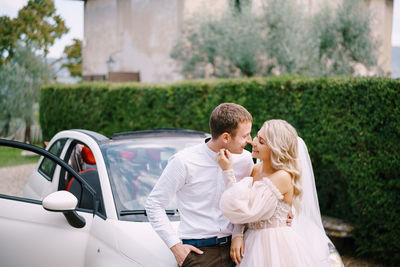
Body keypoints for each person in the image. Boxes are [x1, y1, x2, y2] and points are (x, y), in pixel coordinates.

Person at [145, 103, 254, 267]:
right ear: (226, 137)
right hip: (199, 255)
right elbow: (154, 204)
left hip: (238, 252)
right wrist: (176, 247)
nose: (249, 140)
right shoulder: (184, 161)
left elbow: (245, 201)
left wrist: (238, 234)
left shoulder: (244, 160)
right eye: (245, 136)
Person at [217, 119, 332, 266]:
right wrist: (238, 235)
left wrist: (227, 171)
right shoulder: (255, 169)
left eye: (262, 142)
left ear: (276, 150)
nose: (254, 142)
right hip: (251, 241)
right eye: (257, 137)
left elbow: (246, 210)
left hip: (275, 245)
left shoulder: (283, 176)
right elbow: (242, 203)